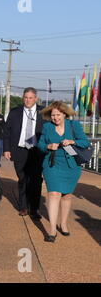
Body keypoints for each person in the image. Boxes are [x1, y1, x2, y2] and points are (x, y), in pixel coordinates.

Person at [37, 101, 90, 242]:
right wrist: (48, 145)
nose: (55, 118)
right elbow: (40, 145)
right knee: (54, 194)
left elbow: (86, 142)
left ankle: (64, 224)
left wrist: (73, 142)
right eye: (53, 115)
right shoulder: (47, 127)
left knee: (66, 196)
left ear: (64, 114)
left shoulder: (74, 125)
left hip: (71, 166)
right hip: (52, 164)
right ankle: (52, 230)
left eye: (58, 115)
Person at [3, 87, 44, 219]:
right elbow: (6, 132)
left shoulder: (43, 112)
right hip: (20, 150)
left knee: (36, 180)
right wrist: (6, 149)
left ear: (36, 99)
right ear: (23, 98)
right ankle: (23, 207)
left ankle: (34, 209)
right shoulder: (15, 112)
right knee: (23, 179)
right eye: (26, 97)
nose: (28, 100)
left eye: (31, 98)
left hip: (37, 151)